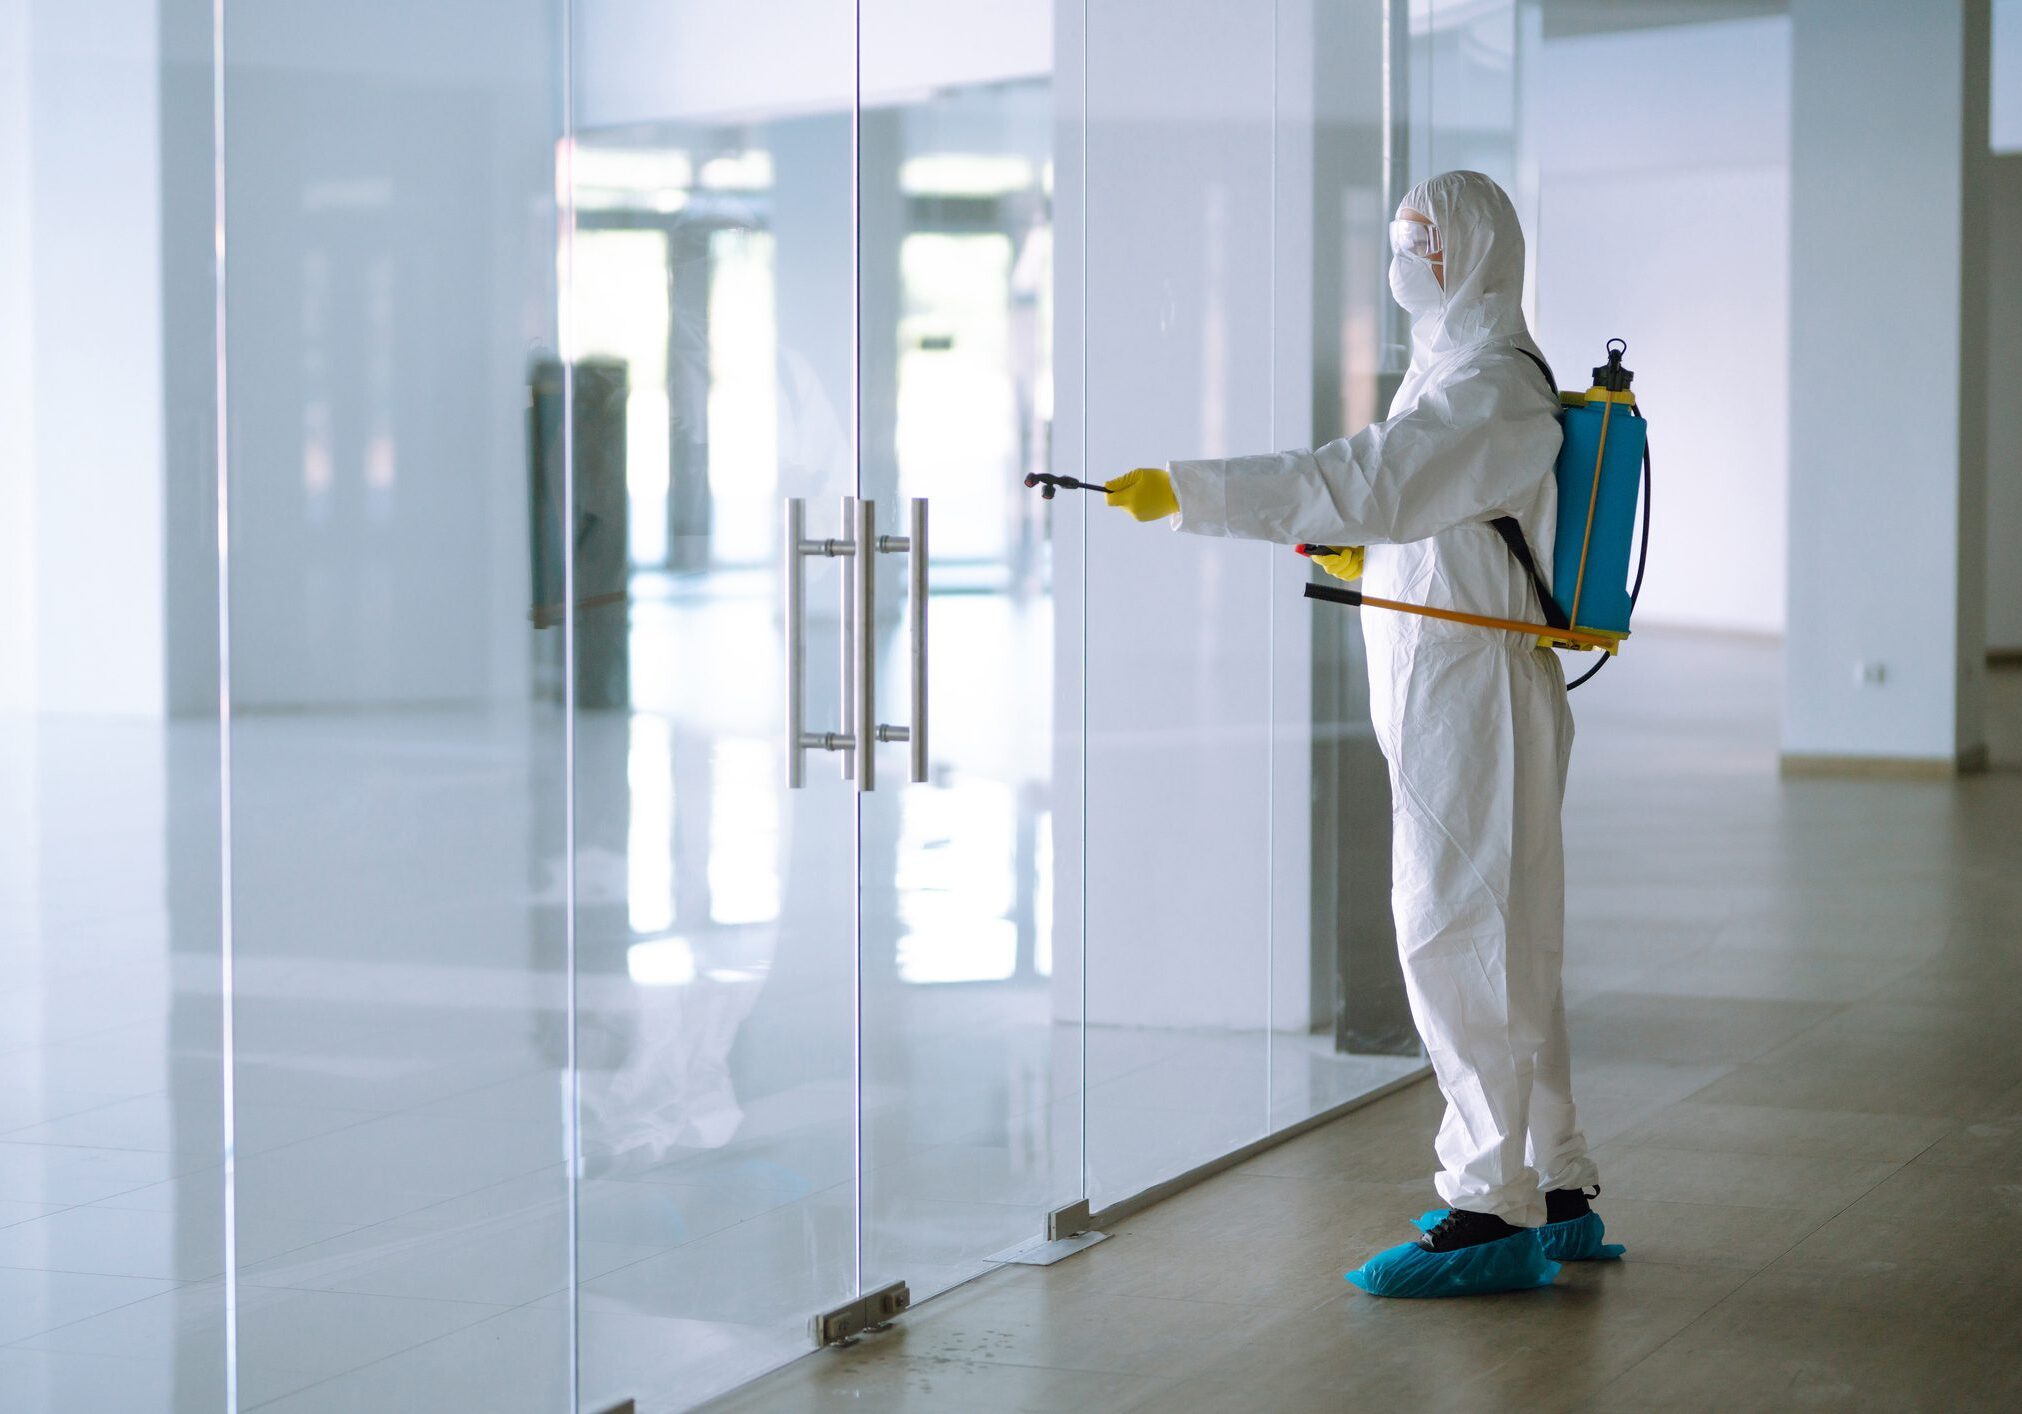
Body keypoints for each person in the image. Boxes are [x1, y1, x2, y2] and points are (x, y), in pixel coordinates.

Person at [1104, 170, 1618, 1294]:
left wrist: (1195, 491)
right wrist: (1366, 554)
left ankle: (1487, 1206)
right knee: (1512, 936)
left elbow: (1371, 481)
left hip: (1468, 692)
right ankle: (1558, 1183)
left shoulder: (1487, 386)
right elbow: (1431, 516)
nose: (1404, 259)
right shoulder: (1468, 375)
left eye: (1424, 240)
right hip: (1469, 675)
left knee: (1454, 927)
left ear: (1478, 250)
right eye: (1399, 237)